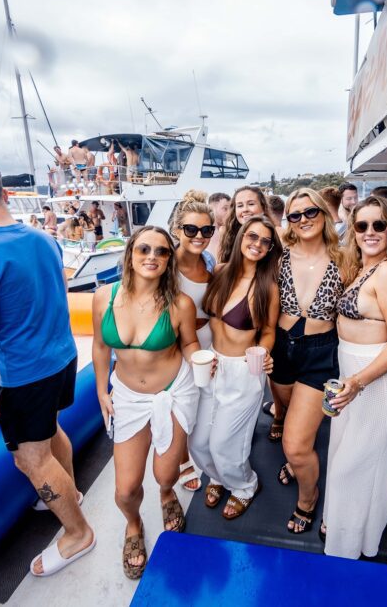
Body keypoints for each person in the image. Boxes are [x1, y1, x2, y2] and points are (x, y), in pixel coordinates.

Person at [0, 160, 94, 576]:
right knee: (50, 429)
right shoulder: (46, 239)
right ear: (5, 193)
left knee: (30, 459)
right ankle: (71, 493)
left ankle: (78, 532)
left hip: (27, 375)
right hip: (64, 359)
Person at [92, 226, 201, 579]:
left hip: (172, 390)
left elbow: (188, 345)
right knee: (125, 490)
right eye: (144, 249)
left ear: (169, 260)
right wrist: (100, 390)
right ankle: (134, 524)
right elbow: (99, 346)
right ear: (130, 254)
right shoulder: (103, 298)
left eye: (161, 251)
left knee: (164, 473)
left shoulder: (180, 303)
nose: (152, 256)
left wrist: (202, 360)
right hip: (127, 395)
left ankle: (167, 493)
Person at [322, 195, 387, 557]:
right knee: (348, 460)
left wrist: (358, 382)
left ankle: (347, 551)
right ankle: (347, 533)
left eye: (379, 225)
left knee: (352, 469)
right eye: (362, 225)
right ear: (353, 229)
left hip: (377, 386)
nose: (370, 232)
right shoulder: (361, 267)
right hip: (351, 380)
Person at [190, 216, 280, 519]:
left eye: (264, 241)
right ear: (241, 237)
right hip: (211, 365)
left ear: (269, 249)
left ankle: (244, 485)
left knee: (226, 444)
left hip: (244, 371)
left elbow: (268, 330)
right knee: (199, 442)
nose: (256, 244)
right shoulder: (221, 272)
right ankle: (218, 476)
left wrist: (264, 350)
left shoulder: (268, 286)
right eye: (251, 236)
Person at [270, 188, 344, 534]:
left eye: (309, 212)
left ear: (323, 214)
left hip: (320, 352)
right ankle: (299, 464)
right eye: (295, 215)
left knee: (297, 445)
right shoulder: (280, 257)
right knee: (290, 427)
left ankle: (308, 499)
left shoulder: (345, 258)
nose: (303, 220)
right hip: (282, 348)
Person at [172, 190, 217, 493]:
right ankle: (184, 460)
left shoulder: (210, 261)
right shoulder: (164, 264)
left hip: (209, 339)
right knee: (182, 406)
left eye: (206, 230)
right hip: (177, 344)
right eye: (191, 229)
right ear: (177, 230)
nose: (199, 236)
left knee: (207, 403)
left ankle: (210, 456)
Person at [218, 186, 270, 263]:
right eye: (240, 205)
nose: (245, 209)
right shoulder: (226, 233)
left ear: (263, 207)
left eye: (251, 204)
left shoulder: (273, 234)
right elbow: (221, 263)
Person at [207, 192, 230, 260]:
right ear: (212, 208)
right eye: (225, 209)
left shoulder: (226, 232)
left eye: (231, 209)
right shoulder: (205, 232)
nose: (230, 213)